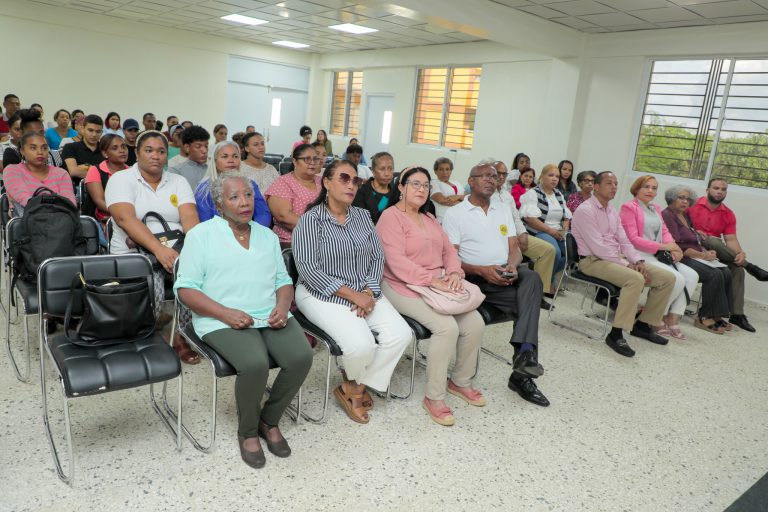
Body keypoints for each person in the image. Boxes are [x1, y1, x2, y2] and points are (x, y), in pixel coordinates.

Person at [175, 172, 312, 469]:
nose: (244, 202)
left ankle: (269, 420)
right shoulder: (201, 235)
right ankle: (248, 431)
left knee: (301, 357)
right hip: (218, 317)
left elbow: (282, 280)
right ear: (219, 204)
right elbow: (185, 290)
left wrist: (283, 305)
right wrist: (225, 313)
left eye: (248, 195)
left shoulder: (266, 236)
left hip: (268, 312)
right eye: (234, 197)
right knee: (254, 363)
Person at [293, 160, 412, 424]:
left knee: (401, 335)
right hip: (320, 292)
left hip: (364, 289)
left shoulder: (362, 216)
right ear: (326, 182)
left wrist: (368, 291)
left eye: (355, 180)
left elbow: (377, 257)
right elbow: (309, 269)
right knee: (360, 345)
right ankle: (356, 385)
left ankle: (354, 387)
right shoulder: (311, 220)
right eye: (344, 179)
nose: (351, 185)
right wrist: (353, 295)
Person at [377, 167, 485, 426]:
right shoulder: (390, 217)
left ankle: (460, 382)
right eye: (415, 184)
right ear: (401, 187)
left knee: (475, 323)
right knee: (446, 328)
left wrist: (454, 273)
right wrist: (433, 280)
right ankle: (434, 397)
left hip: (437, 285)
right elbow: (395, 261)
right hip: (400, 284)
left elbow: (449, 251)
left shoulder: (430, 219)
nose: (421, 189)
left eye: (426, 185)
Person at [443, 162, 549, 407]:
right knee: (529, 303)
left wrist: (512, 265)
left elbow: (515, 249)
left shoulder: (502, 209)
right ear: (471, 181)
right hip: (476, 280)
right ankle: (522, 370)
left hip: (505, 274)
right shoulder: (455, 214)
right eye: (485, 176)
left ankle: (524, 356)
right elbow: (451, 259)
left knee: (531, 277)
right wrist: (482, 270)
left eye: (494, 176)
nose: (492, 180)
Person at [105, 130, 200, 364]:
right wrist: (159, 249)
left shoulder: (177, 181)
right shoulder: (121, 179)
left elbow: (189, 218)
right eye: (148, 150)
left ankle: (181, 333)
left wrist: (193, 250)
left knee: (191, 274)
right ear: (136, 153)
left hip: (176, 248)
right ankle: (151, 331)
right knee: (153, 277)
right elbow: (125, 219)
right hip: (134, 252)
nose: (155, 156)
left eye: (161, 151)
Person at [571, 172, 675, 357]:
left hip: (615, 258)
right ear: (596, 187)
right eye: (609, 183)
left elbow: (625, 241)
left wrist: (638, 261)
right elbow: (598, 247)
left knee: (667, 278)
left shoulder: (611, 210)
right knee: (635, 279)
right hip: (592, 261)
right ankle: (616, 333)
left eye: (616, 184)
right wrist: (627, 265)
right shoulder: (585, 210)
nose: (614, 187)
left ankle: (643, 325)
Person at [620, 176, 698, 340]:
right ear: (637, 189)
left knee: (692, 276)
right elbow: (633, 239)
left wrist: (675, 248)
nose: (650, 191)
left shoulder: (655, 208)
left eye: (654, 188)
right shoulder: (629, 207)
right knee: (677, 278)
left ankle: (672, 317)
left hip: (657, 254)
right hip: (638, 254)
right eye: (646, 187)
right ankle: (654, 319)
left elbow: (664, 232)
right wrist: (665, 247)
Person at [687, 177, 768, 333]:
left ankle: (737, 314)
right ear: (707, 190)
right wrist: (694, 231)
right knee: (712, 239)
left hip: (714, 252)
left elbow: (731, 239)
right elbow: (678, 225)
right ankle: (751, 267)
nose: (720, 192)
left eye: (723, 189)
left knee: (737, 269)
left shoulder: (728, 214)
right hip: (693, 248)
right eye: (716, 188)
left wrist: (740, 254)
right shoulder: (692, 205)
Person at [662, 185, 732, 334]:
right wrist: (702, 256)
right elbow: (677, 244)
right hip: (680, 256)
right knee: (714, 274)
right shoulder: (667, 215)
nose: (685, 201)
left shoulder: (685, 215)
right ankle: (704, 316)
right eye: (681, 198)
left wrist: (705, 251)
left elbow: (692, 237)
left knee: (726, 271)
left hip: (694, 253)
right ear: (671, 198)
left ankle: (716, 314)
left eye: (688, 199)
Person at [489, 160, 557, 308]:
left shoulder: (507, 196)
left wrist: (523, 234)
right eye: (498, 173)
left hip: (515, 234)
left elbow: (516, 218)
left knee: (548, 250)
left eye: (504, 174)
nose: (501, 176)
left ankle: (539, 295)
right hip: (499, 237)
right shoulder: (485, 194)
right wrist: (512, 237)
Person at [520, 163, 572, 295]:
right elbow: (530, 219)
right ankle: (545, 285)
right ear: (542, 176)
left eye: (557, 176)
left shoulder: (558, 194)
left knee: (569, 254)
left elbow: (566, 215)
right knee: (555, 252)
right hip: (539, 231)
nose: (554, 179)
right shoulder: (533, 193)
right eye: (551, 175)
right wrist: (550, 231)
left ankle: (548, 278)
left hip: (557, 231)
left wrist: (565, 228)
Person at [195, 140, 271, 226]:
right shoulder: (203, 189)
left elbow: (263, 214)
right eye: (225, 156)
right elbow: (205, 222)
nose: (231, 160)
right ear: (215, 161)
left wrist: (253, 231)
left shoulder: (250, 184)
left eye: (235, 156)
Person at [3, 132, 76, 216]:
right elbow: (25, 199)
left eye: (44, 148)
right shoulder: (12, 170)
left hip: (61, 219)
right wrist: (54, 205)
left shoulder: (61, 173)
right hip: (25, 220)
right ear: (22, 151)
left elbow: (70, 203)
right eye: (33, 148)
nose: (40, 152)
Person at [265, 144, 322, 247]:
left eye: (315, 159)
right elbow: (284, 217)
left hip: (324, 240)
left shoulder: (323, 182)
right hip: (290, 242)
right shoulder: (283, 183)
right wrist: (321, 229)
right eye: (307, 159)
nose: (312, 162)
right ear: (294, 161)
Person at [83, 134, 128, 222]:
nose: (122, 151)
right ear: (105, 153)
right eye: (115, 148)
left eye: (123, 147)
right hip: (103, 219)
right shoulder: (96, 170)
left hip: (130, 216)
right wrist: (123, 214)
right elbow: (100, 202)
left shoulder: (133, 171)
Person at [352, 151, 399, 224]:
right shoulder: (361, 192)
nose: (387, 173)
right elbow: (359, 222)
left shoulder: (396, 194)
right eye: (382, 169)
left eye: (390, 169)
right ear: (373, 171)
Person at [61, 114, 105, 182]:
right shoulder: (70, 147)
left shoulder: (105, 149)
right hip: (77, 186)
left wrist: (87, 167)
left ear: (101, 132)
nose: (94, 135)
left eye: (98, 131)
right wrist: (102, 173)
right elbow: (74, 171)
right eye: (90, 130)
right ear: (83, 129)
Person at [169, 125, 210, 189]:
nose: (204, 151)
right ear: (187, 148)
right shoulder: (176, 171)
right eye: (198, 147)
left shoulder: (212, 169)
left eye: (206, 146)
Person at [430, 157, 464, 224]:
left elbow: (469, 198)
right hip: (443, 220)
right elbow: (442, 200)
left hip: (459, 220)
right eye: (441, 169)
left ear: (451, 171)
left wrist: (456, 197)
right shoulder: (433, 183)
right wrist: (461, 199)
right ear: (435, 171)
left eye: (447, 169)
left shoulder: (457, 183)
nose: (445, 172)